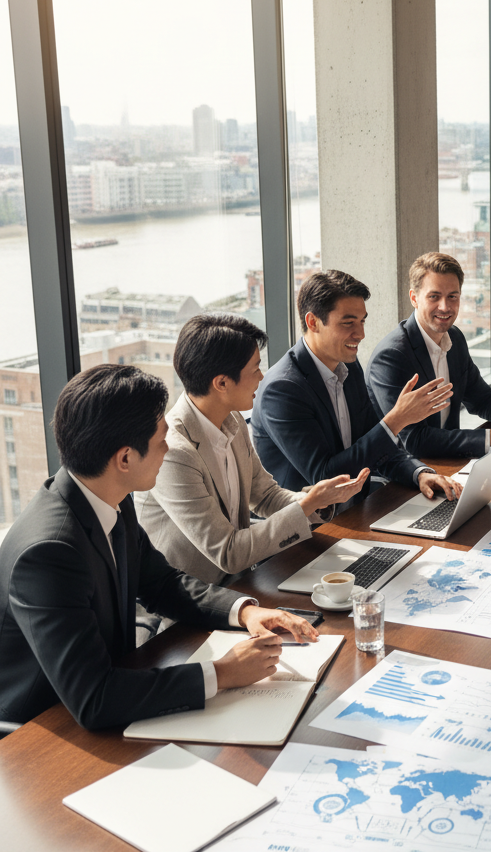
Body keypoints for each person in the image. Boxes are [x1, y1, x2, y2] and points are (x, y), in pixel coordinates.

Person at [0, 365, 318, 729]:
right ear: (124, 459)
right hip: (42, 733)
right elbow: (94, 699)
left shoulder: (110, 497)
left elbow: (161, 583)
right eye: (161, 439)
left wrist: (245, 612)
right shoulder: (47, 553)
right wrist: (222, 673)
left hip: (112, 690)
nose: (168, 449)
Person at [139, 314, 371, 585]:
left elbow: (266, 496)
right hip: (191, 604)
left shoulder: (231, 418)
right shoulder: (174, 452)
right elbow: (228, 552)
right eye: (255, 369)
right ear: (222, 383)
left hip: (242, 582)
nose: (262, 376)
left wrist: (317, 502)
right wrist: (306, 504)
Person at [250, 269, 460, 503]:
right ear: (313, 322)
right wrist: (396, 420)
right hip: (311, 526)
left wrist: (418, 473)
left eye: (362, 321)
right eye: (348, 323)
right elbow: (325, 478)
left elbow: (375, 446)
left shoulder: (348, 365)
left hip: (356, 508)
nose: (360, 334)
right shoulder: (282, 389)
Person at [367, 253, 491, 459]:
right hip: (406, 472)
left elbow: (482, 399)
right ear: (414, 298)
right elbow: (414, 440)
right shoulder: (392, 356)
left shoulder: (454, 338)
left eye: (452, 296)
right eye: (434, 296)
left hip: (448, 459)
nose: (445, 307)